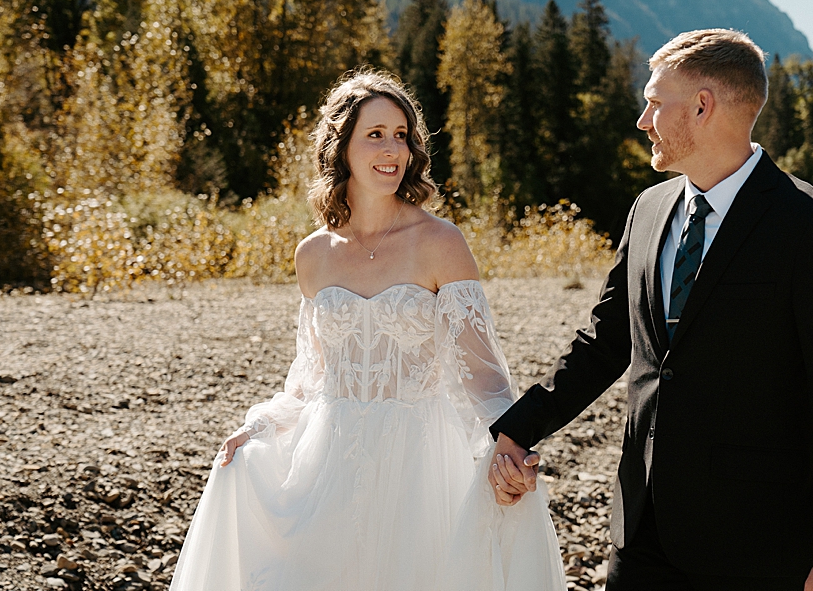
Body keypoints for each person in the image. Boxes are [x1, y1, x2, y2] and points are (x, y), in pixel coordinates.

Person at [488, 29, 813, 591]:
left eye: (653, 102)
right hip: (642, 531)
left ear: (702, 105)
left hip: (759, 546)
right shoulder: (647, 210)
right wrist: (518, 430)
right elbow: (605, 342)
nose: (643, 120)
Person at [169, 70, 564, 591]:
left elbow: (484, 377)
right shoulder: (312, 255)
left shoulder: (440, 242)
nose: (391, 149)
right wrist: (261, 427)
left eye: (400, 134)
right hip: (328, 462)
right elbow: (310, 380)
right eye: (374, 134)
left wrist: (510, 450)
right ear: (341, 146)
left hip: (418, 466)